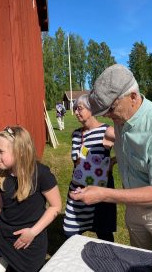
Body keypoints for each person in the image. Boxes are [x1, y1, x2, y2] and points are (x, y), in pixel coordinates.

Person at [70, 64, 152, 258]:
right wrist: (114, 161)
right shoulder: (121, 118)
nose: (107, 116)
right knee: (140, 262)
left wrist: (103, 194)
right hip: (135, 207)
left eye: (110, 109)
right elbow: (133, 152)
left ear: (133, 97)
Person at [0, 126, 62, 272]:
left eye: (1, 151)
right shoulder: (2, 174)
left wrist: (32, 232)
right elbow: (0, 205)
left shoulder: (41, 173)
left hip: (28, 241)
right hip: (2, 232)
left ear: (19, 152)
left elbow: (56, 206)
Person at [63, 94, 117, 242]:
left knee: (103, 233)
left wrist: (112, 161)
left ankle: (106, 262)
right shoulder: (76, 134)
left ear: (92, 109)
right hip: (78, 188)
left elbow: (129, 146)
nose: (75, 112)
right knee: (70, 231)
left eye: (79, 108)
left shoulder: (107, 131)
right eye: (75, 109)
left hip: (100, 189)